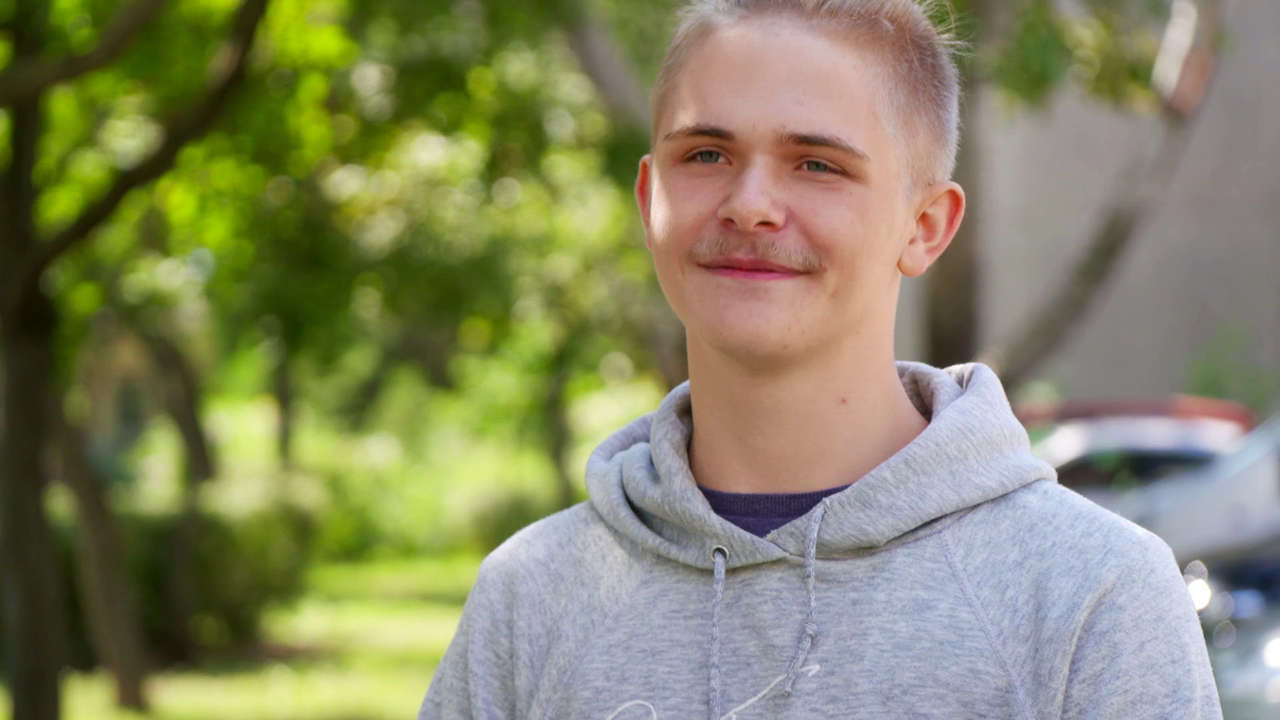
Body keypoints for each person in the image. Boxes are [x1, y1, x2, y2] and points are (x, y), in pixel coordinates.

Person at [419, 1, 1222, 717]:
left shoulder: (1091, 595)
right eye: (706, 154)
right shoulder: (533, 595)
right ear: (648, 198)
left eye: (817, 164)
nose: (750, 206)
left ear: (925, 227)